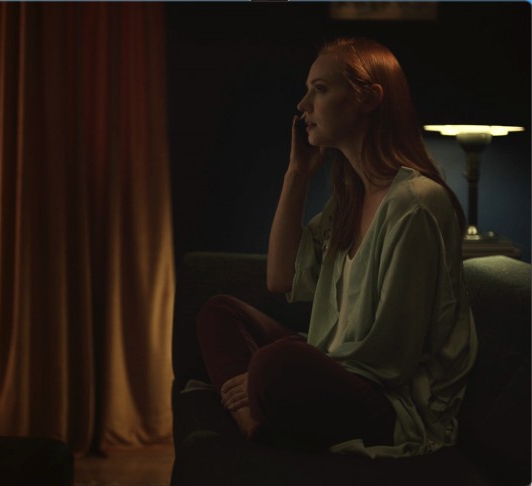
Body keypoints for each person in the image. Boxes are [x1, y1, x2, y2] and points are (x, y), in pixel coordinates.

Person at [196, 37, 478, 457]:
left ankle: (260, 413)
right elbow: (280, 278)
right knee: (220, 311)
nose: (302, 105)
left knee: (278, 363)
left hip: (388, 398)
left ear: (369, 98)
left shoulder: (415, 203)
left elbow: (391, 358)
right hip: (343, 370)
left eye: (320, 89)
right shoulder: (350, 200)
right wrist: (297, 173)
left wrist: (273, 370)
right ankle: (255, 419)